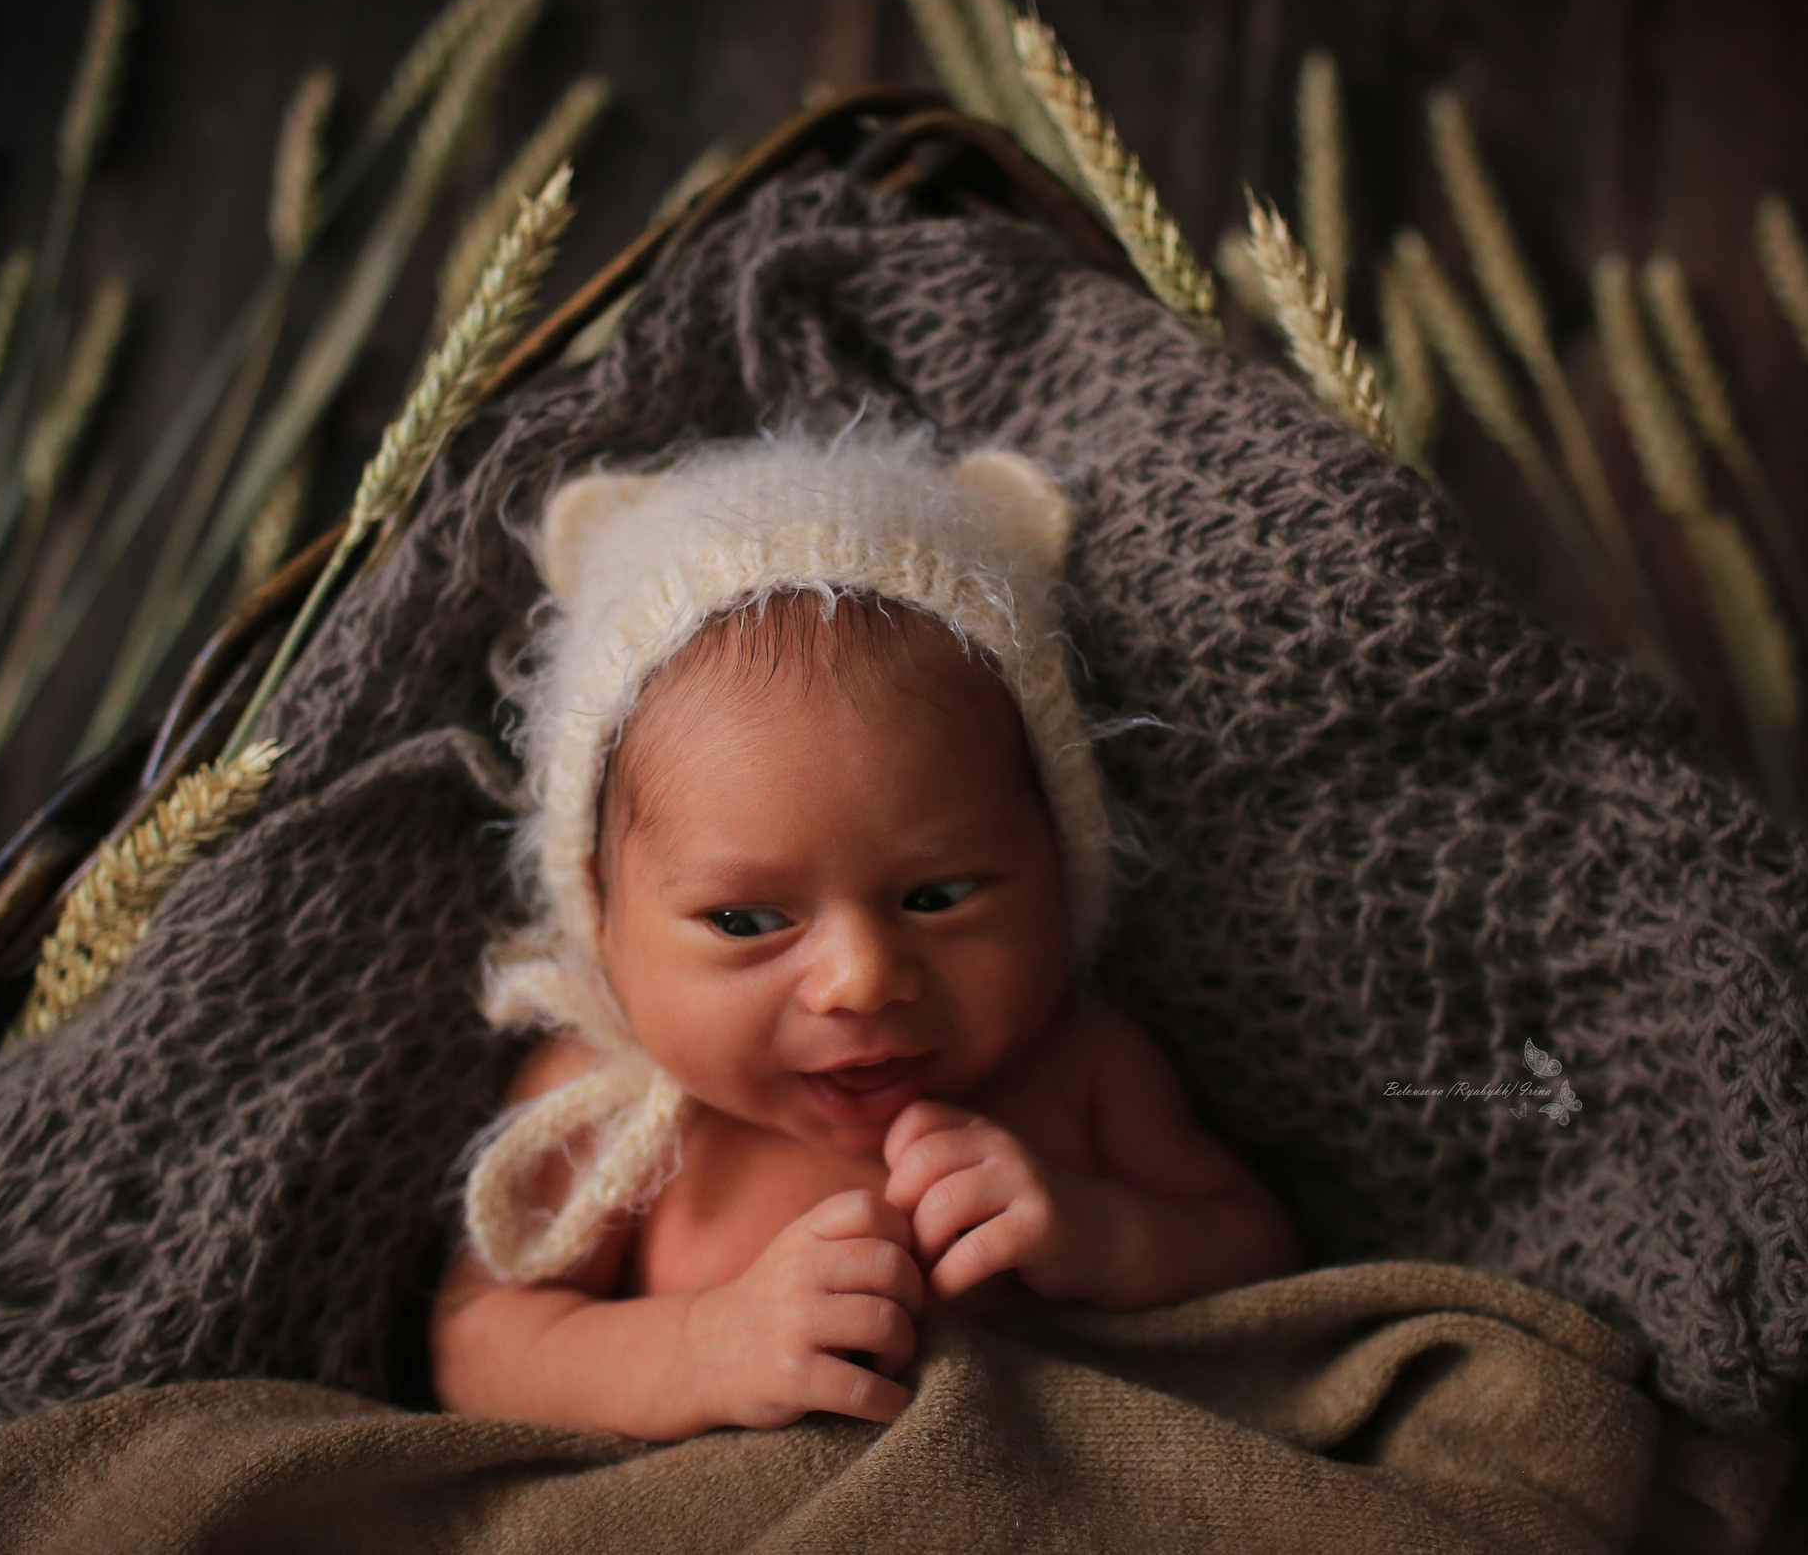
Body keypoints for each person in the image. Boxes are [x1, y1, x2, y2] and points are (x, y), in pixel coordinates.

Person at [432, 429, 1301, 1441]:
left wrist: (1105, 1236)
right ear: (600, 917)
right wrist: (704, 1347)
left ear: (1060, 866)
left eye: (938, 895)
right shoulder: (607, 1108)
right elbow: (482, 1345)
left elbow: (1262, 1257)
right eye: (746, 921)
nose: (861, 979)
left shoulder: (1083, 1067)